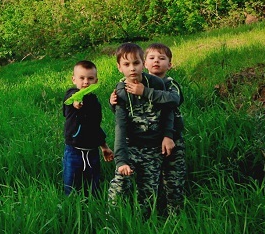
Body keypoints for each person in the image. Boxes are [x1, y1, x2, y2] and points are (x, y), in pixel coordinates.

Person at [107, 43, 180, 214]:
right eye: (126, 64)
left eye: (136, 63)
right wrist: (121, 160)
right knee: (120, 183)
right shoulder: (121, 92)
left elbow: (168, 108)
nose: (132, 68)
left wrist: (168, 135)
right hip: (131, 146)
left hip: (154, 148)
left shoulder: (155, 83)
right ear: (119, 68)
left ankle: (144, 222)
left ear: (143, 63)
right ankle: (111, 218)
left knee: (148, 191)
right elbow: (120, 127)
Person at [144, 42, 186, 215]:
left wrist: (145, 93)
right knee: (149, 179)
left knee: (174, 176)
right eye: (151, 58)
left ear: (169, 64)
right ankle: (150, 212)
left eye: (162, 58)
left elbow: (173, 100)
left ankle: (175, 213)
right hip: (149, 139)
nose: (156, 61)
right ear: (144, 63)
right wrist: (113, 101)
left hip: (173, 138)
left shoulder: (170, 84)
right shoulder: (139, 83)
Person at [63, 60, 114, 196]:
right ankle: (71, 204)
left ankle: (94, 202)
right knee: (71, 182)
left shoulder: (95, 103)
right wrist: (75, 101)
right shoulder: (72, 94)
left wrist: (104, 147)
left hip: (92, 152)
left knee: (94, 182)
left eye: (90, 78)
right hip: (74, 151)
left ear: (96, 81)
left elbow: (95, 126)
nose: (86, 82)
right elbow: (70, 98)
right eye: (82, 78)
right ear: (74, 79)